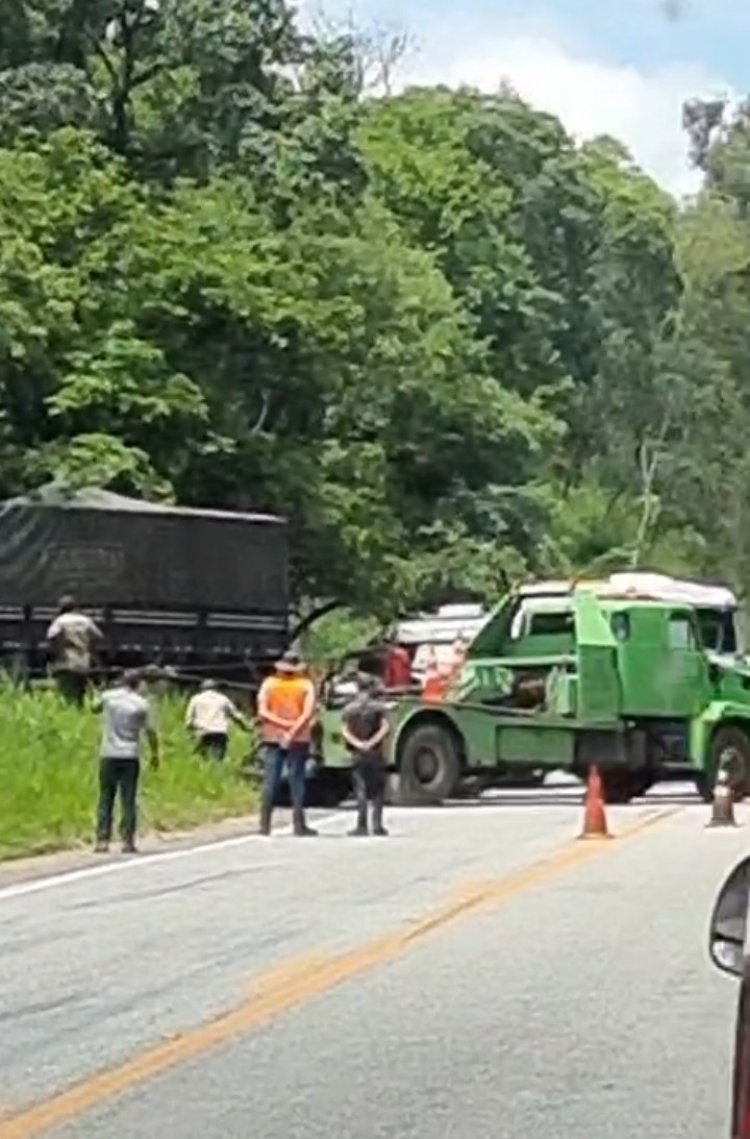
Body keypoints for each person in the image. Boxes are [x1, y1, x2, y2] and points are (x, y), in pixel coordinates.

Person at [92, 669, 159, 854]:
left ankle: (102, 840)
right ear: (137, 684)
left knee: (106, 797)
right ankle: (128, 840)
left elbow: (94, 708)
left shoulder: (109, 697)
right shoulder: (141, 704)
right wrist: (155, 754)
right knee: (128, 799)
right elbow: (151, 732)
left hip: (108, 753)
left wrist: (102, 689)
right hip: (130, 755)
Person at [256, 649, 317, 837]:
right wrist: (292, 729)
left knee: (270, 781)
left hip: (273, 737)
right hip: (298, 738)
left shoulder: (269, 684)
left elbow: (263, 711)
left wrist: (281, 725)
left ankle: (265, 825)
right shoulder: (305, 685)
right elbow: (307, 713)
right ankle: (299, 825)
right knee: (297, 781)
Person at [341, 672, 391, 837]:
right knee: (378, 790)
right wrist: (371, 743)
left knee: (360, 789)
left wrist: (359, 744)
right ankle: (377, 825)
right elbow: (385, 727)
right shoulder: (378, 707)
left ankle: (361, 826)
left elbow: (345, 731)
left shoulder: (350, 708)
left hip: (357, 753)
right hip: (375, 752)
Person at [46, 595, 103, 706]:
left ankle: (70, 712)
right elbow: (98, 636)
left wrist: (59, 650)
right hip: (84, 660)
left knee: (67, 692)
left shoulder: (60, 621)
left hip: (67, 660)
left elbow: (51, 636)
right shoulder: (86, 620)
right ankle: (79, 710)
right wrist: (90, 649)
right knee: (81, 692)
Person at [185, 679, 249, 761]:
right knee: (218, 758)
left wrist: (192, 730)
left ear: (202, 689)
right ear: (216, 689)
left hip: (204, 732)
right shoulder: (223, 699)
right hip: (220, 732)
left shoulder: (196, 699)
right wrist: (246, 727)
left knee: (204, 758)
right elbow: (236, 715)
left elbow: (189, 720)